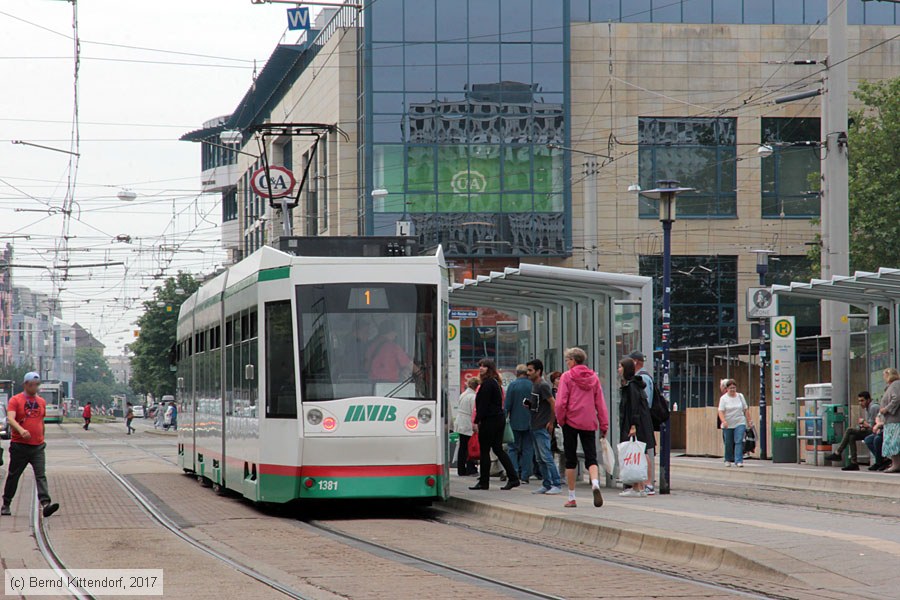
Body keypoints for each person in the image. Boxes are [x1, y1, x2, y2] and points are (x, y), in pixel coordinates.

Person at [555, 347, 609, 508]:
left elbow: (561, 402)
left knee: (570, 459)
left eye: (567, 360)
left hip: (570, 421)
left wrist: (561, 420)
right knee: (591, 457)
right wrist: (604, 424)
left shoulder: (567, 376)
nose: (567, 363)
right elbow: (600, 403)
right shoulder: (594, 378)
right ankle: (595, 483)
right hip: (589, 421)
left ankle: (572, 497)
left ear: (573, 360)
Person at [1, 373, 60, 518]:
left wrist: (42, 437)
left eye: (37, 384)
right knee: (14, 476)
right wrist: (21, 430)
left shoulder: (41, 401)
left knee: (41, 475)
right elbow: (10, 419)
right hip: (19, 446)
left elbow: (41, 421)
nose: (35, 387)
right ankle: (6, 503)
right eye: (32, 384)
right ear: (25, 385)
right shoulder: (16, 400)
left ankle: (45, 504)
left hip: (37, 446)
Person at [469, 359, 520, 491]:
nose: (481, 368)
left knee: (485, 451)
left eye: (484, 366)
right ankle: (513, 477)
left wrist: (476, 421)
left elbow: (483, 405)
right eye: (480, 366)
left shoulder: (487, 384)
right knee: (498, 449)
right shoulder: (495, 383)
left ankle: (484, 481)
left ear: (489, 368)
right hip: (498, 419)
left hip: (489, 420)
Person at [618, 358, 656, 497]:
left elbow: (634, 407)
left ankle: (643, 485)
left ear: (626, 369)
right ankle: (639, 486)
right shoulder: (633, 384)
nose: (618, 369)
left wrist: (633, 425)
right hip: (638, 423)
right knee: (639, 452)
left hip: (636, 424)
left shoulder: (632, 386)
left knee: (639, 453)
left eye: (620, 367)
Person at [527, 359, 562, 495]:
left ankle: (556, 483)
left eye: (530, 370)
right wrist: (529, 405)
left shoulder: (543, 385)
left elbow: (553, 403)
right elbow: (539, 404)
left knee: (546, 456)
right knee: (540, 458)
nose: (528, 373)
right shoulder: (535, 385)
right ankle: (546, 484)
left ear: (538, 371)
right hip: (535, 424)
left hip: (542, 425)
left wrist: (551, 422)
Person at [824, 391, 880, 470]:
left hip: (877, 431)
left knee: (849, 430)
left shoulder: (873, 407)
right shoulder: (868, 408)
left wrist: (863, 422)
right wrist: (863, 426)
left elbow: (872, 426)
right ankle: (854, 463)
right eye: (859, 401)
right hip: (872, 430)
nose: (860, 403)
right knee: (851, 436)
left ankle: (838, 452)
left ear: (868, 400)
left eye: (862, 400)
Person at [628, 351, 657, 495]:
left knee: (643, 450)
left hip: (642, 419)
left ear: (635, 362)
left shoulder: (642, 378)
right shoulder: (640, 377)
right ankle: (642, 484)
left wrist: (636, 421)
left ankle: (647, 484)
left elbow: (645, 401)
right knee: (641, 450)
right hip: (641, 418)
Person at [505, 365, 534, 483]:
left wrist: (505, 418)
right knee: (528, 448)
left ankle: (514, 473)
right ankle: (525, 475)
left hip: (515, 421)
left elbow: (507, 405)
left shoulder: (513, 385)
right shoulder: (532, 385)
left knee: (512, 448)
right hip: (531, 421)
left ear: (517, 373)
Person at [718, 380, 751, 467]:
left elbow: (745, 409)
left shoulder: (740, 396)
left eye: (734, 388)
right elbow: (720, 411)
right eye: (730, 388)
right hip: (728, 424)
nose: (732, 390)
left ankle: (739, 460)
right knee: (728, 443)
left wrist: (749, 421)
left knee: (739, 441)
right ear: (727, 389)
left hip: (740, 422)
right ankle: (727, 459)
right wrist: (724, 421)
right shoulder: (723, 398)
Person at [877, 368, 900, 473]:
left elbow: (897, 398)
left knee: (893, 443)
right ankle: (896, 464)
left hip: (894, 420)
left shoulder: (895, 385)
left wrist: (886, 409)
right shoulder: (892, 386)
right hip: (891, 420)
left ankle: (896, 465)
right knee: (892, 442)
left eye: (884, 375)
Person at [454, 378, 479, 476]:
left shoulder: (463, 394)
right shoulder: (473, 397)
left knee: (462, 447)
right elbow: (474, 411)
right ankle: (470, 468)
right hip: (468, 423)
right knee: (470, 447)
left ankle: (461, 469)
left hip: (460, 422)